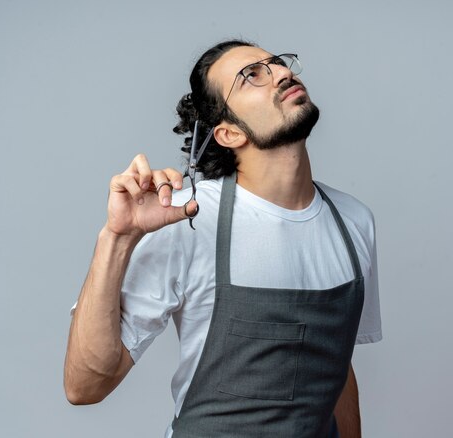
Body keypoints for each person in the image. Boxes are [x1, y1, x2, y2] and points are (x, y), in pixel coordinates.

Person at [64, 40, 382, 438]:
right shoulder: (188, 217)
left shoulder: (353, 222)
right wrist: (117, 237)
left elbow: (337, 370)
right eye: (253, 76)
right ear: (229, 133)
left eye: (278, 64)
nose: (283, 74)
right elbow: (84, 386)